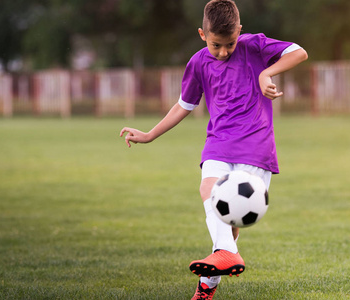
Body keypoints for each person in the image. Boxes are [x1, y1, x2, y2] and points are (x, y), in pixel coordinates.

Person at [120, 0, 308, 298]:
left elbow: (299, 52)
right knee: (209, 189)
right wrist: (150, 135)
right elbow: (184, 105)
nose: (223, 52)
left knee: (229, 224)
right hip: (218, 142)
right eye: (216, 45)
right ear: (202, 35)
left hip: (255, 143)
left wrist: (265, 73)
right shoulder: (197, 63)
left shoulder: (254, 46)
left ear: (240, 32)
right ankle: (225, 254)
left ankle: (208, 283)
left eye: (230, 44)